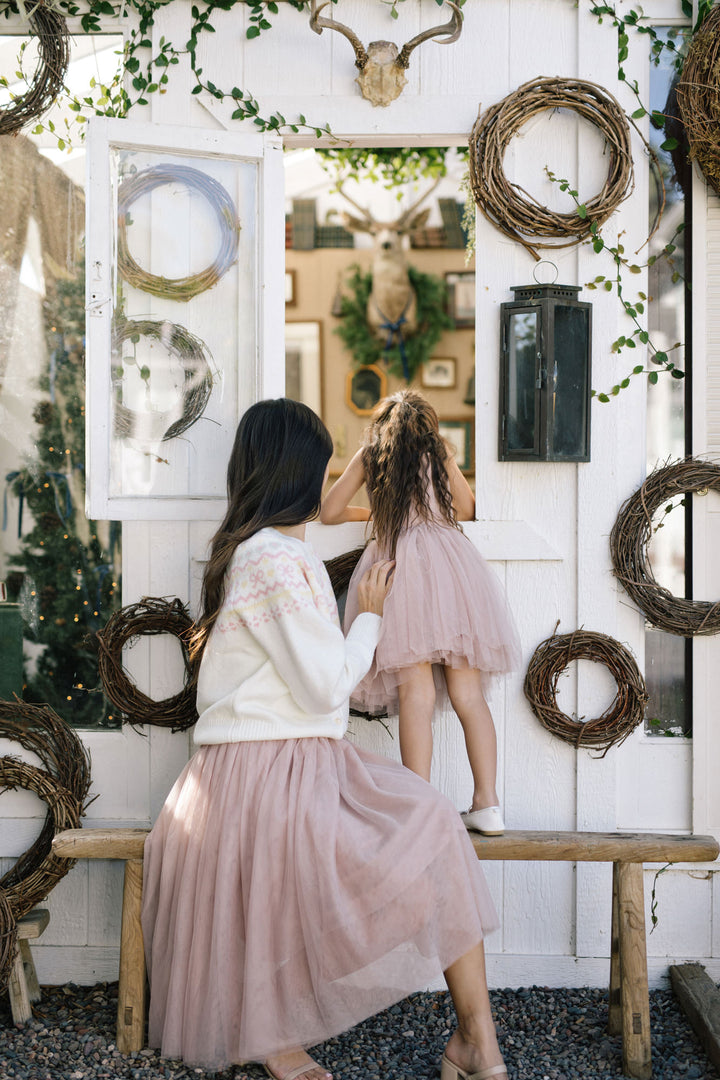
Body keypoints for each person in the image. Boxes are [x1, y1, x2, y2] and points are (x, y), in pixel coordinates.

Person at [141, 398, 508, 1080]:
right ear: (298, 475)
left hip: (296, 759)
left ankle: (475, 1040)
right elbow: (323, 689)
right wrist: (367, 616)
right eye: (319, 465)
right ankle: (279, 1033)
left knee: (430, 822)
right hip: (261, 771)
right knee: (426, 825)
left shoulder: (267, 555)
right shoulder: (274, 560)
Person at [321, 389, 520, 837]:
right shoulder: (437, 451)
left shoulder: (371, 455)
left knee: (416, 696)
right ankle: (487, 804)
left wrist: (373, 517)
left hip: (397, 571)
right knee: (469, 696)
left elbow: (329, 511)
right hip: (452, 570)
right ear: (426, 425)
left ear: (381, 428)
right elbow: (466, 509)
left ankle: (421, 807)